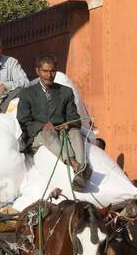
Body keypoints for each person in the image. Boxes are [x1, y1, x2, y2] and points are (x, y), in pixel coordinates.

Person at [16, 53, 88, 190]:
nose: (49, 75)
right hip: (39, 136)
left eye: (52, 71)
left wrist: (69, 124)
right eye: (45, 71)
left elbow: (75, 117)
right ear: (37, 71)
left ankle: (80, 174)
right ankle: (75, 164)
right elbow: (23, 121)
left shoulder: (65, 92)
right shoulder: (27, 93)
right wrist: (43, 126)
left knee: (75, 133)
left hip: (62, 132)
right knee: (48, 132)